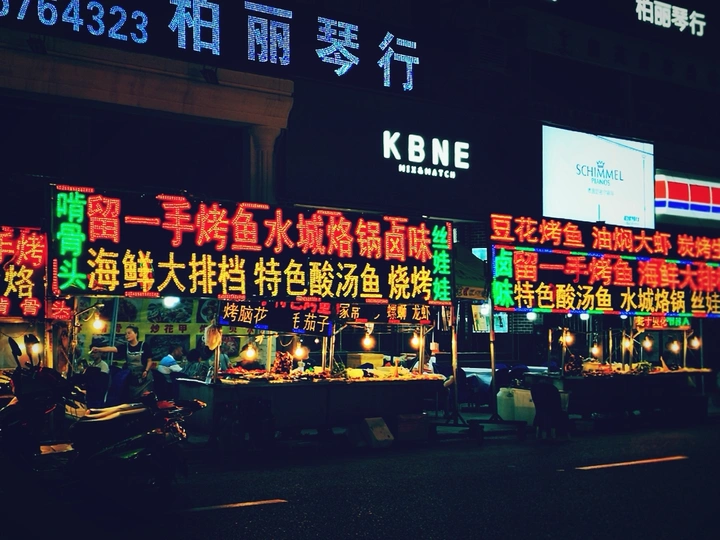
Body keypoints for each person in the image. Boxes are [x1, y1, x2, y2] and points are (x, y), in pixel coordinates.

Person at [92, 325, 153, 402]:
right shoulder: (125, 346)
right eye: (125, 334)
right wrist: (99, 349)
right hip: (132, 375)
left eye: (129, 333)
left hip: (144, 376)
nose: (127, 335)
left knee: (145, 396)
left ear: (136, 334)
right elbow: (112, 349)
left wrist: (146, 371)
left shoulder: (144, 345)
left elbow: (149, 360)